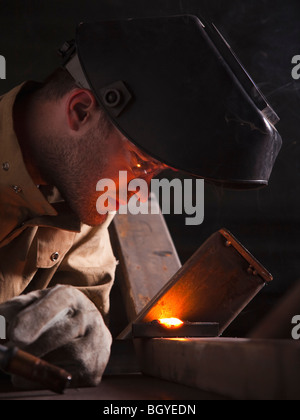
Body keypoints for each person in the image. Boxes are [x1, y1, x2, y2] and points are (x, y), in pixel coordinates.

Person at [0, 15, 282, 388]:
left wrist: (84, 337)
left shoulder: (82, 202)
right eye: (140, 163)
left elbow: (66, 343)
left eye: (157, 174)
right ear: (80, 112)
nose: (141, 192)